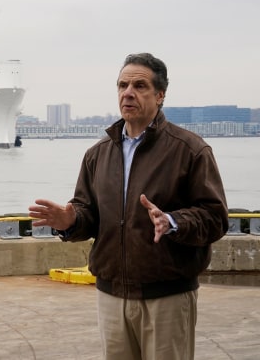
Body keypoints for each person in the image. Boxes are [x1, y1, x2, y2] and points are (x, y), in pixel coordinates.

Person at [28, 53, 228, 360]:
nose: (128, 93)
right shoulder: (98, 154)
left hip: (168, 296)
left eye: (139, 85)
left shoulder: (190, 150)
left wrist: (172, 222)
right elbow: (88, 213)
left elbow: (215, 218)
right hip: (111, 296)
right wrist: (70, 221)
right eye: (122, 85)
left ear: (160, 95)